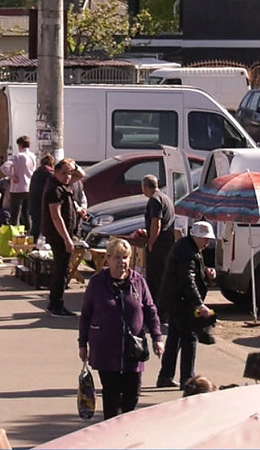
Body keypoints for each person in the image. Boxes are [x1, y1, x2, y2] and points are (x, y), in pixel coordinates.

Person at [78, 238, 164, 420]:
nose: (121, 262)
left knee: (132, 398)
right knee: (111, 399)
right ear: (107, 259)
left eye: (125, 257)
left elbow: (150, 309)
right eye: (117, 257)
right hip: (106, 351)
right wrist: (82, 344)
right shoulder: (97, 283)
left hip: (133, 352)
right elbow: (85, 314)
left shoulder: (138, 282)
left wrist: (157, 338)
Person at [159, 221, 217, 385]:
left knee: (175, 338)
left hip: (175, 300)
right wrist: (199, 304)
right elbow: (187, 280)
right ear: (196, 236)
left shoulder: (188, 248)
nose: (208, 242)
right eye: (205, 239)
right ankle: (188, 379)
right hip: (183, 301)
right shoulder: (188, 252)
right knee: (190, 338)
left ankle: (165, 376)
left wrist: (206, 273)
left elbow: (190, 275)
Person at [144, 174, 178, 388]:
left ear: (145, 187)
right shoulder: (165, 198)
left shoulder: (154, 201)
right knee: (161, 278)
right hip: (167, 243)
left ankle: (157, 314)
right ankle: (161, 313)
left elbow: (155, 223)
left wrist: (150, 242)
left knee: (155, 280)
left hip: (160, 243)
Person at [42, 158, 85, 316]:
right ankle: (56, 305)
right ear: (55, 172)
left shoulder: (63, 184)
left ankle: (54, 303)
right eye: (64, 173)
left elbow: (81, 174)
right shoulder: (55, 189)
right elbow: (56, 217)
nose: (68, 176)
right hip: (59, 235)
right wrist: (67, 239)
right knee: (62, 270)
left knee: (62, 269)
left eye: (69, 173)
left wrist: (73, 165)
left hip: (64, 232)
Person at [1, 136, 37, 227]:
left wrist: (12, 176)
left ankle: (15, 234)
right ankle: (28, 233)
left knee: (15, 215)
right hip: (29, 187)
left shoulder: (17, 156)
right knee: (26, 213)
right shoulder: (33, 156)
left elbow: (4, 167)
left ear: (20, 145)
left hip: (17, 188)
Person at [28, 153, 55, 238]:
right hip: (45, 204)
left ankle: (32, 246)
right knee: (49, 228)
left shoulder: (36, 173)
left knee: (35, 227)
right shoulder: (51, 174)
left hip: (34, 203)